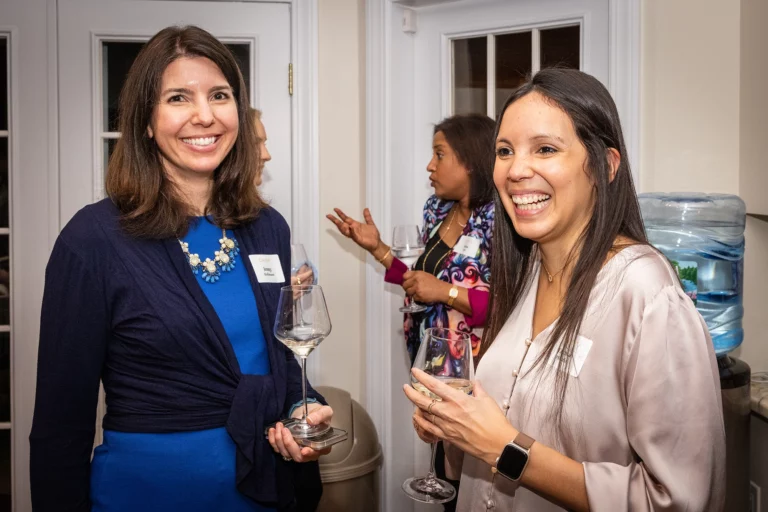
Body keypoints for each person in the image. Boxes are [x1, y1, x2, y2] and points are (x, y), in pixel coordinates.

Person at [29, 25, 333, 512]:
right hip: (146, 493)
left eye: (220, 95)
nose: (205, 115)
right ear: (145, 121)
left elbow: (269, 360)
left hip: (261, 487)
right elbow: (60, 425)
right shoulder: (94, 240)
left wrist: (300, 406)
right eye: (178, 98)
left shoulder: (266, 228)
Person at [405, 68, 726, 512]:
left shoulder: (646, 293)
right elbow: (505, 415)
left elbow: (679, 500)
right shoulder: (526, 270)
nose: (516, 170)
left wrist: (507, 450)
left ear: (604, 166)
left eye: (546, 149)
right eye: (505, 151)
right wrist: (458, 431)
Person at [327, 114, 496, 363]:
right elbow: (419, 277)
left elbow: (505, 306)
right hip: (426, 356)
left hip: (471, 366)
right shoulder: (436, 210)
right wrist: (377, 248)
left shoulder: (497, 221)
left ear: (469, 161)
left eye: (439, 155)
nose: (430, 165)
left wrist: (443, 292)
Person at [250, 107, 316, 288]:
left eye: (265, 144)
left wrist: (297, 277)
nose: (266, 155)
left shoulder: (271, 222)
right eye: (256, 144)